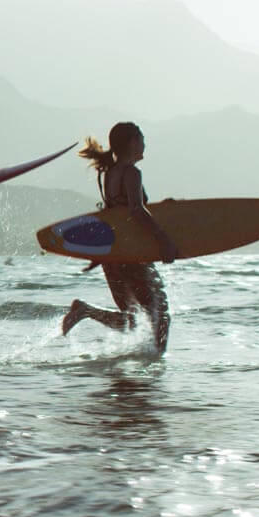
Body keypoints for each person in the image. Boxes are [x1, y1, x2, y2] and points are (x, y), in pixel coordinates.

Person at [62, 122, 177, 355]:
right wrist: (164, 240)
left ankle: (86, 311)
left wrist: (99, 254)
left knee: (135, 319)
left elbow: (117, 213)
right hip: (132, 254)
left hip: (115, 255)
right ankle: (152, 375)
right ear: (133, 142)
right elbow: (135, 210)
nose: (145, 143)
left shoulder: (110, 174)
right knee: (160, 315)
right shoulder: (131, 173)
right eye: (142, 138)